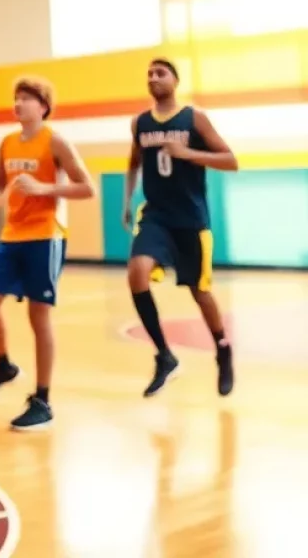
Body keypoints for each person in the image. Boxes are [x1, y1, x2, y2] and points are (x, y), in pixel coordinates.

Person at [0, 78, 94, 431]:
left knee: (37, 315)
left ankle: (42, 399)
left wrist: (45, 188)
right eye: (16, 98)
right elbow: (2, 182)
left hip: (46, 235)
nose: (19, 103)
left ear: (43, 106)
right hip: (13, 234)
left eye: (26, 98)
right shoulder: (7, 143)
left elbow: (87, 187)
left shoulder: (55, 141)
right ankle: (4, 365)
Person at [123, 58, 237, 398]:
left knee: (199, 292)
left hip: (190, 219)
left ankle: (223, 348)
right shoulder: (140, 123)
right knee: (136, 272)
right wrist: (126, 202)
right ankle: (164, 355)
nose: (153, 78)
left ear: (175, 80)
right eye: (149, 74)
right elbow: (132, 164)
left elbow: (231, 160)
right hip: (156, 216)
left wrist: (187, 153)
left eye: (161, 73)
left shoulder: (194, 118)